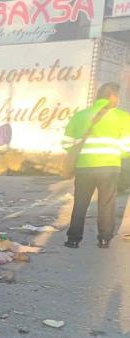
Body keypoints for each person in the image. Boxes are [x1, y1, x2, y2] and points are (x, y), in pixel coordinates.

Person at [62, 82, 129, 249]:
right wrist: (117, 153)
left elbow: (66, 143)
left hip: (84, 167)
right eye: (118, 96)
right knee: (106, 203)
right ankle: (104, 239)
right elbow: (127, 147)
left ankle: (73, 239)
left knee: (80, 203)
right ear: (113, 96)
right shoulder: (122, 117)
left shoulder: (80, 116)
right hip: (109, 167)